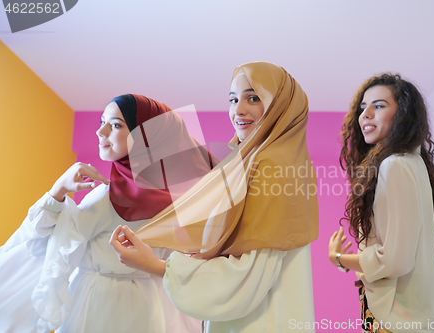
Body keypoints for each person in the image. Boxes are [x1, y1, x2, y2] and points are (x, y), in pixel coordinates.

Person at [110, 61, 319, 332]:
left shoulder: (272, 165)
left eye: (253, 97)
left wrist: (159, 267)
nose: (238, 110)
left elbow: (247, 278)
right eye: (233, 99)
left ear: (280, 105)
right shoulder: (255, 162)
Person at [0, 94, 213, 333]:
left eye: (116, 125)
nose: (100, 132)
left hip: (97, 306)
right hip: (148, 309)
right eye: (102, 121)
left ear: (146, 137)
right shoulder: (179, 202)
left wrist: (57, 191)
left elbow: (43, 248)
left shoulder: (106, 197)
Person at [328, 74, 434, 333]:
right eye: (363, 107)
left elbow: (394, 261)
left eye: (379, 105)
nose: (366, 114)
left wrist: (339, 258)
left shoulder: (394, 165)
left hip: (399, 322)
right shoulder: (414, 163)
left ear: (403, 114)